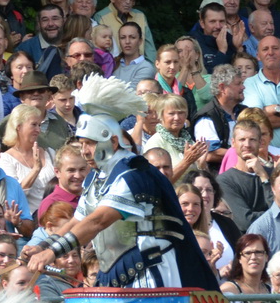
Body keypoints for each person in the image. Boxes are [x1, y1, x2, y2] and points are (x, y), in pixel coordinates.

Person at [23, 76, 217, 289]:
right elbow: (77, 220)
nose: (85, 151)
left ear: (113, 141)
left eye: (91, 144)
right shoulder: (96, 176)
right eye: (82, 143)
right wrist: (43, 246)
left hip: (151, 273)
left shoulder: (133, 173)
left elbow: (98, 221)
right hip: (116, 270)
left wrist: (52, 252)